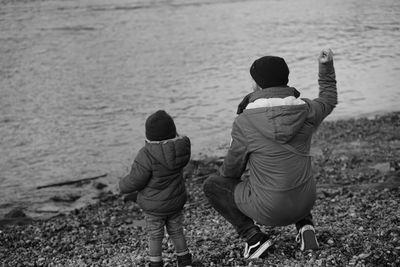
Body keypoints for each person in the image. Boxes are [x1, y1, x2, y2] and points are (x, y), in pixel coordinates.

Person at [203, 49, 337, 259]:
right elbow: (329, 98)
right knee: (288, 169)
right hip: (305, 201)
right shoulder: (307, 110)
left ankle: (254, 239)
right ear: (285, 80)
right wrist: (326, 66)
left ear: (258, 85)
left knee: (213, 185)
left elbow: (230, 172)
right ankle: (305, 227)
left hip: (270, 210)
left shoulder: (245, 121)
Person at [119, 110, 193, 267]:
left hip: (153, 206)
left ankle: (156, 263)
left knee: (155, 235)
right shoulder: (181, 149)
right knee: (177, 230)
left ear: (149, 136)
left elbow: (135, 180)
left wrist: (121, 185)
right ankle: (185, 261)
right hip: (175, 201)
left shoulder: (146, 154)